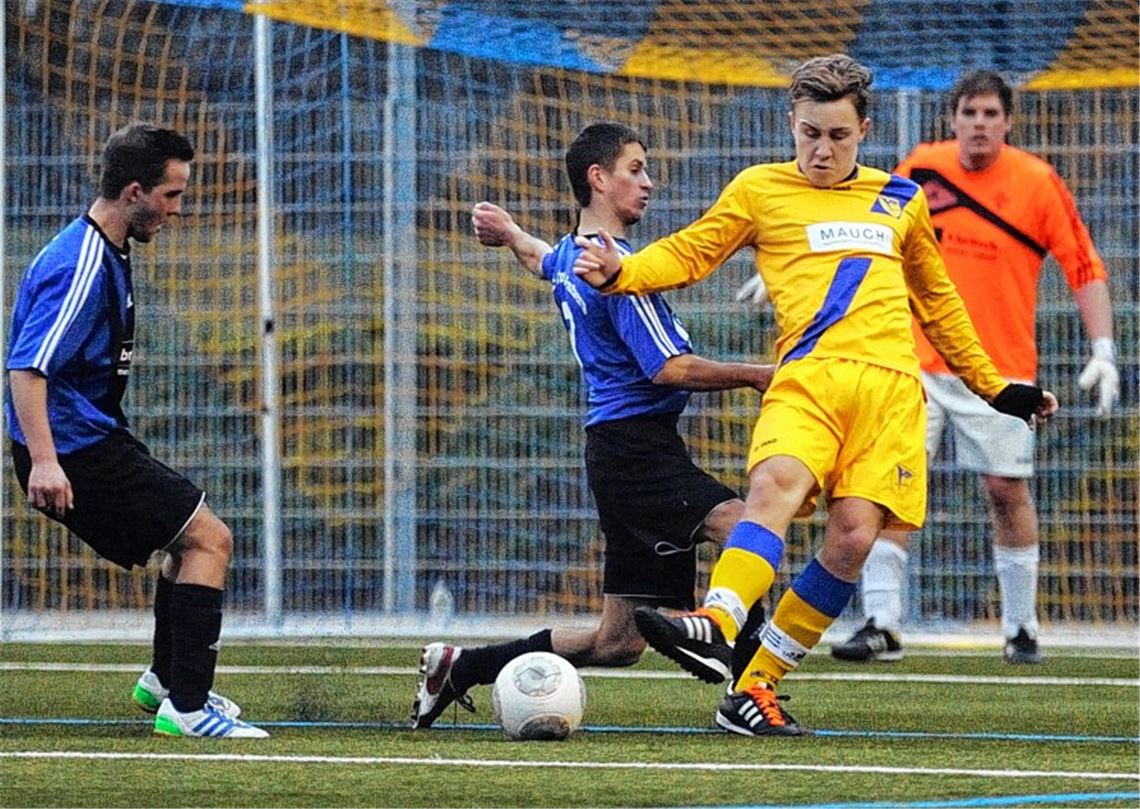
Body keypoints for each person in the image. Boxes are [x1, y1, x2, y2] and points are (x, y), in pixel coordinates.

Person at [572, 55, 1058, 737]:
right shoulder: (760, 189)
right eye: (808, 134)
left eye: (837, 135)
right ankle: (716, 620)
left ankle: (755, 688)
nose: (821, 150)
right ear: (790, 127)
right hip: (808, 378)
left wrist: (993, 386)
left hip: (890, 393)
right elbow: (690, 252)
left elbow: (939, 301)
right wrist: (623, 270)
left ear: (863, 128)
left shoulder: (901, 198)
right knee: (774, 483)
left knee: (855, 535)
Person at [411, 122, 774, 729]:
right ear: (597, 179)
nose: (649, 182)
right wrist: (762, 374)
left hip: (619, 449)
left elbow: (538, 258)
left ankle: (463, 665)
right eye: (635, 168)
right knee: (752, 529)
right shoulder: (618, 271)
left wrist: (509, 234)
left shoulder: (572, 254)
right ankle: (749, 695)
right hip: (638, 451)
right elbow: (668, 368)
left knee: (617, 644)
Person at [829, 70, 1117, 666]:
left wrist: (1104, 349)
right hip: (912, 359)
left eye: (990, 113)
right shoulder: (922, 165)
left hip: (999, 368)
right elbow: (868, 233)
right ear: (953, 119)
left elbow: (1083, 265)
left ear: (1007, 122)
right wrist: (797, 263)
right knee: (891, 486)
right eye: (969, 113)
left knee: (1005, 489)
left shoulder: (1037, 181)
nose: (979, 124)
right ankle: (882, 623)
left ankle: (1021, 627)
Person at [5, 123, 267, 739]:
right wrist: (45, 462)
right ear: (132, 192)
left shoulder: (106, 247)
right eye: (171, 196)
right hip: (74, 449)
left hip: (90, 437)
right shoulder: (81, 261)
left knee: (186, 538)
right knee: (211, 541)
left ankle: (164, 681)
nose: (177, 210)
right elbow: (25, 366)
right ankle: (188, 707)